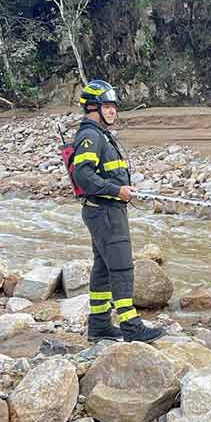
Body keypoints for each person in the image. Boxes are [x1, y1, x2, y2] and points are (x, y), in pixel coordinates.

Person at [71, 79, 164, 343]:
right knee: (122, 267)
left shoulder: (100, 134)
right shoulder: (90, 136)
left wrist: (121, 189)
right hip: (106, 211)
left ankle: (99, 324)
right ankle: (130, 325)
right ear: (92, 108)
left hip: (104, 210)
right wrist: (116, 190)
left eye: (113, 106)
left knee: (102, 267)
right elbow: (83, 176)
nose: (112, 111)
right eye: (106, 106)